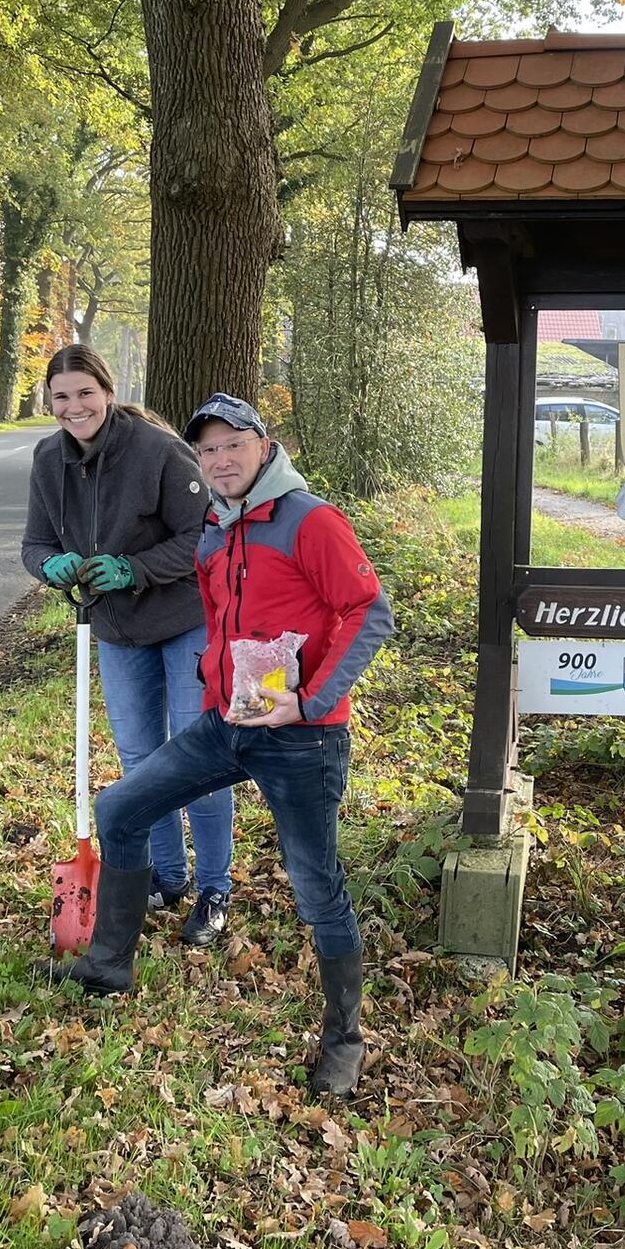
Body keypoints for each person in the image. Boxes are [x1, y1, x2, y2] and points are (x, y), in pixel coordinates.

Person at [45, 392, 394, 1097]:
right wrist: (214, 689)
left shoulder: (309, 520)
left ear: (265, 446)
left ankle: (345, 1040)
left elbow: (370, 612)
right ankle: (109, 964)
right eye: (208, 450)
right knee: (120, 809)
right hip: (226, 724)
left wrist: (312, 700)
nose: (221, 459)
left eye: (234, 444)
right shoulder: (215, 525)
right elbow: (216, 611)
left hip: (303, 738)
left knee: (315, 886)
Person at [22, 345, 236, 948]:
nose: (73, 407)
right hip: (116, 631)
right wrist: (52, 566)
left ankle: (213, 888)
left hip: (185, 617)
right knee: (143, 763)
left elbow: (205, 535)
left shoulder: (157, 451)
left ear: (108, 393)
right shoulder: (47, 460)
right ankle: (167, 878)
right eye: (61, 396)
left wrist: (133, 569)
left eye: (84, 393)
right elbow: (33, 544)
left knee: (200, 759)